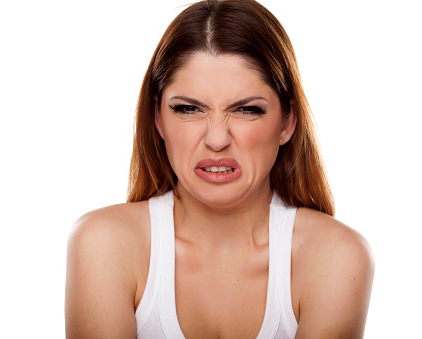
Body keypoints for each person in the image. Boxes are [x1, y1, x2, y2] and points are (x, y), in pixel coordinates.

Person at [65, 0, 374, 338]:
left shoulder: (335, 258)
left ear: (288, 121)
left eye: (246, 110)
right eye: (187, 108)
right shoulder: (104, 245)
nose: (216, 139)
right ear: (157, 118)